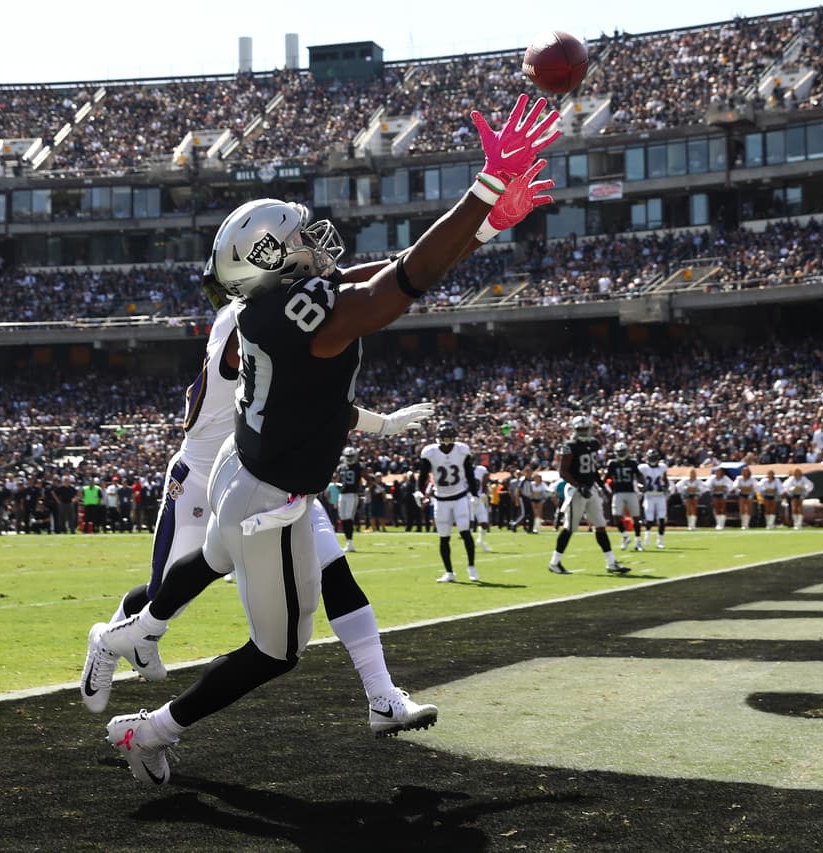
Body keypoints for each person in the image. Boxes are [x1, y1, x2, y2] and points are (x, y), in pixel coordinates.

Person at [97, 92, 559, 785]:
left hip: (240, 470)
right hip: (270, 495)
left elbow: (385, 275)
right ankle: (147, 730)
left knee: (216, 556)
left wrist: (487, 226)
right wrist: (483, 190)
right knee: (278, 649)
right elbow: (398, 285)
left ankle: (139, 625)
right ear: (272, 258)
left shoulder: (274, 305)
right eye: (302, 238)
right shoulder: (293, 312)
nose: (318, 243)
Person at [80, 279, 439, 724]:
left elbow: (313, 399)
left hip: (267, 477)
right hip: (208, 474)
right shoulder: (250, 319)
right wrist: (382, 422)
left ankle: (382, 696)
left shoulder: (261, 313)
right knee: (165, 592)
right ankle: (111, 638)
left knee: (335, 573)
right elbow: (309, 396)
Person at [547, 415, 632, 575]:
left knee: (600, 526)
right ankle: (554, 562)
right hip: (576, 490)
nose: (584, 432)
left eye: (585, 429)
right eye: (580, 429)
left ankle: (611, 562)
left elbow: (593, 468)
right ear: (575, 430)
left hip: (591, 488)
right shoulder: (569, 446)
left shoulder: (594, 443)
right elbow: (563, 471)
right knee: (570, 527)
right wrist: (578, 485)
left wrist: (601, 486)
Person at [420, 420, 480, 583]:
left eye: (449, 437)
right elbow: (423, 474)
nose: (447, 442)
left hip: (460, 496)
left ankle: (471, 567)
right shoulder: (430, 452)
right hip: (440, 499)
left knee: (465, 531)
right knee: (444, 536)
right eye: (444, 437)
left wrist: (474, 494)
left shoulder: (462, 450)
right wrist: (419, 491)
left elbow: (469, 474)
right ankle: (449, 572)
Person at [605, 441, 644, 551]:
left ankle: (638, 542)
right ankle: (625, 536)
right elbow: (607, 478)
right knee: (616, 516)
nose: (621, 454)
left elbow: (639, 475)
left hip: (631, 492)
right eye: (619, 452)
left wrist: (642, 485)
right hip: (618, 492)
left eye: (622, 452)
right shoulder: (612, 463)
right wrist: (607, 488)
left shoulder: (632, 463)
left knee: (636, 517)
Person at [334, 447, 365, 550]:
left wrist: (362, 488)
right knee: (343, 518)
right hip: (342, 494)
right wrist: (337, 484)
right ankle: (348, 542)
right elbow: (336, 479)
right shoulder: (341, 467)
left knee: (348, 518)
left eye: (351, 456)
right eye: (348, 456)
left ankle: (350, 543)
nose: (350, 458)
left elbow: (367, 478)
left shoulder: (358, 467)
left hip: (352, 494)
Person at [638, 448, 670, 548]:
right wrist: (642, 487)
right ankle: (647, 537)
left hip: (660, 496)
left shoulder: (662, 467)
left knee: (661, 518)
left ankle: (660, 541)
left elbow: (665, 480)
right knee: (649, 519)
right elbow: (637, 481)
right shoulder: (643, 468)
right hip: (649, 496)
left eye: (654, 457)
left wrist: (665, 486)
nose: (652, 459)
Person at [470, 457, 493, 552]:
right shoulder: (461, 470)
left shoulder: (480, 470)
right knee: (469, 523)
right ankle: (469, 543)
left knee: (484, 523)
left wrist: (484, 491)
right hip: (466, 499)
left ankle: (481, 541)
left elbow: (486, 476)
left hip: (478, 499)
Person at [704, 465, 734, 530]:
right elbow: (706, 485)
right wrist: (714, 488)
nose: (718, 472)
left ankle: (722, 524)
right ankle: (718, 524)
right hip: (715, 494)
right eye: (717, 471)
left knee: (723, 508)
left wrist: (723, 487)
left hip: (723, 494)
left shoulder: (725, 478)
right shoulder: (712, 478)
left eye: (720, 471)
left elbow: (731, 485)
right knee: (717, 508)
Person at [733, 464, 757, 529]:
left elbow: (754, 487)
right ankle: (743, 524)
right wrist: (744, 488)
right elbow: (735, 486)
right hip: (742, 494)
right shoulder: (739, 478)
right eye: (743, 471)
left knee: (749, 509)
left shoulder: (752, 479)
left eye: (746, 471)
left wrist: (745, 488)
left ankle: (747, 524)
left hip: (750, 494)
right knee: (742, 509)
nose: (744, 472)